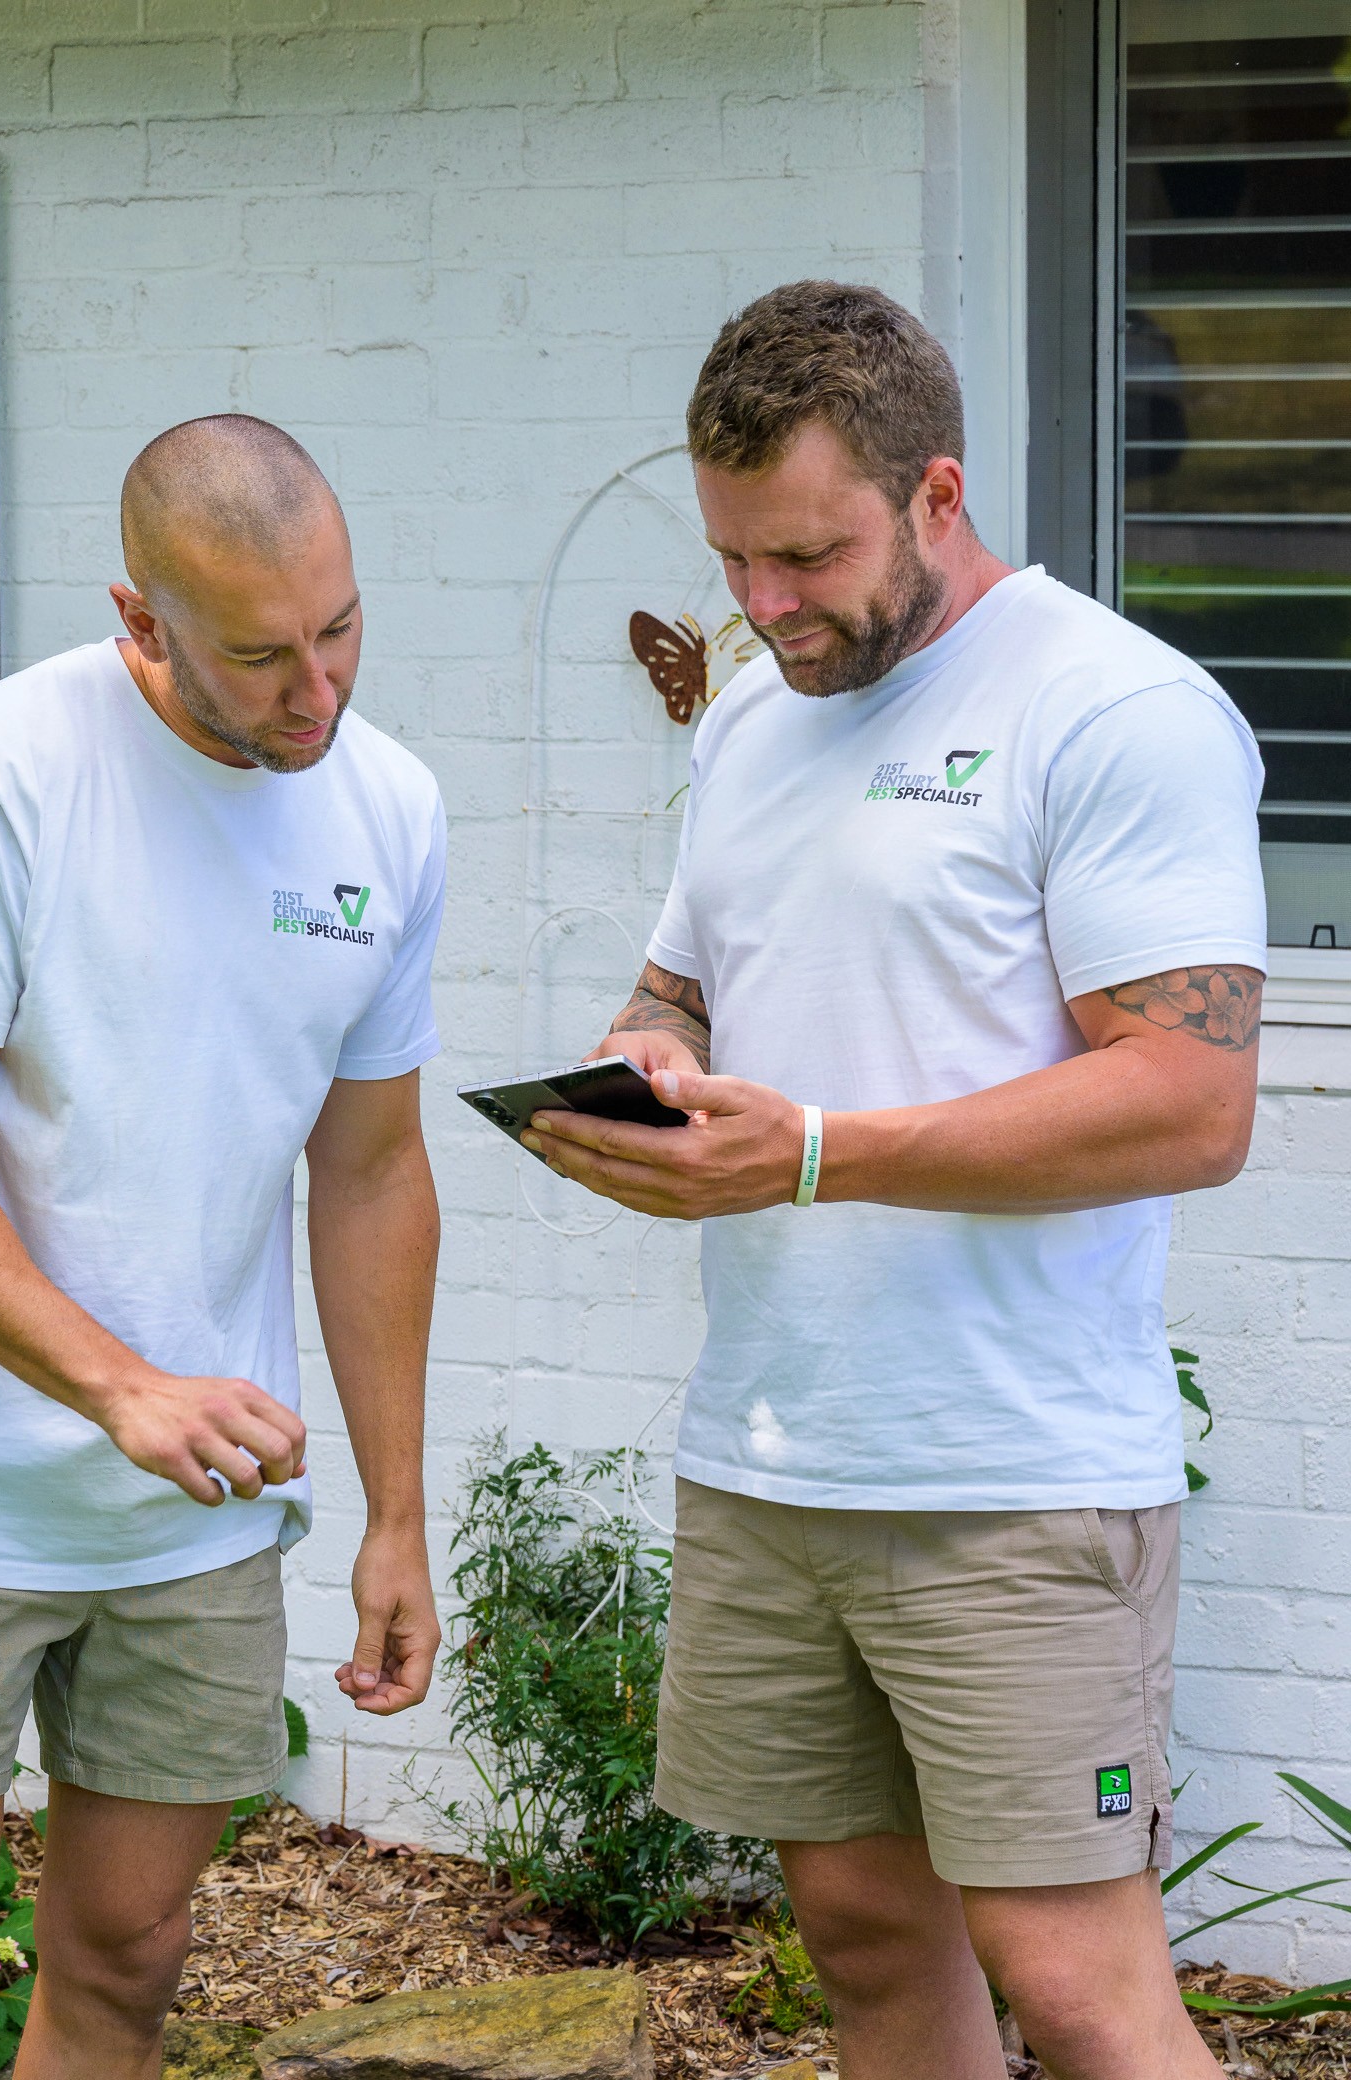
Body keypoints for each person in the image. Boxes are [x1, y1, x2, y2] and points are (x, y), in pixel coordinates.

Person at [525, 282, 1261, 2080]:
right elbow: (683, 977)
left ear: (936, 495)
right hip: (774, 1451)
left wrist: (826, 1157)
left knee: (1076, 1985)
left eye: (804, 555)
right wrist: (649, 1069)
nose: (764, 608)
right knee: (860, 1941)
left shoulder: (1115, 712)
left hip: (1008, 1471)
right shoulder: (753, 726)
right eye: (733, 560)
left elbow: (1190, 1100)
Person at [0, 415, 446, 2080]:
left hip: (194, 1523)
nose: (318, 691)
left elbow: (369, 1174)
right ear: (140, 621)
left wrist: (397, 1515)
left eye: (341, 629)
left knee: (130, 1962)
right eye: (260, 654)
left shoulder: (390, 811)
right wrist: (120, 1387)